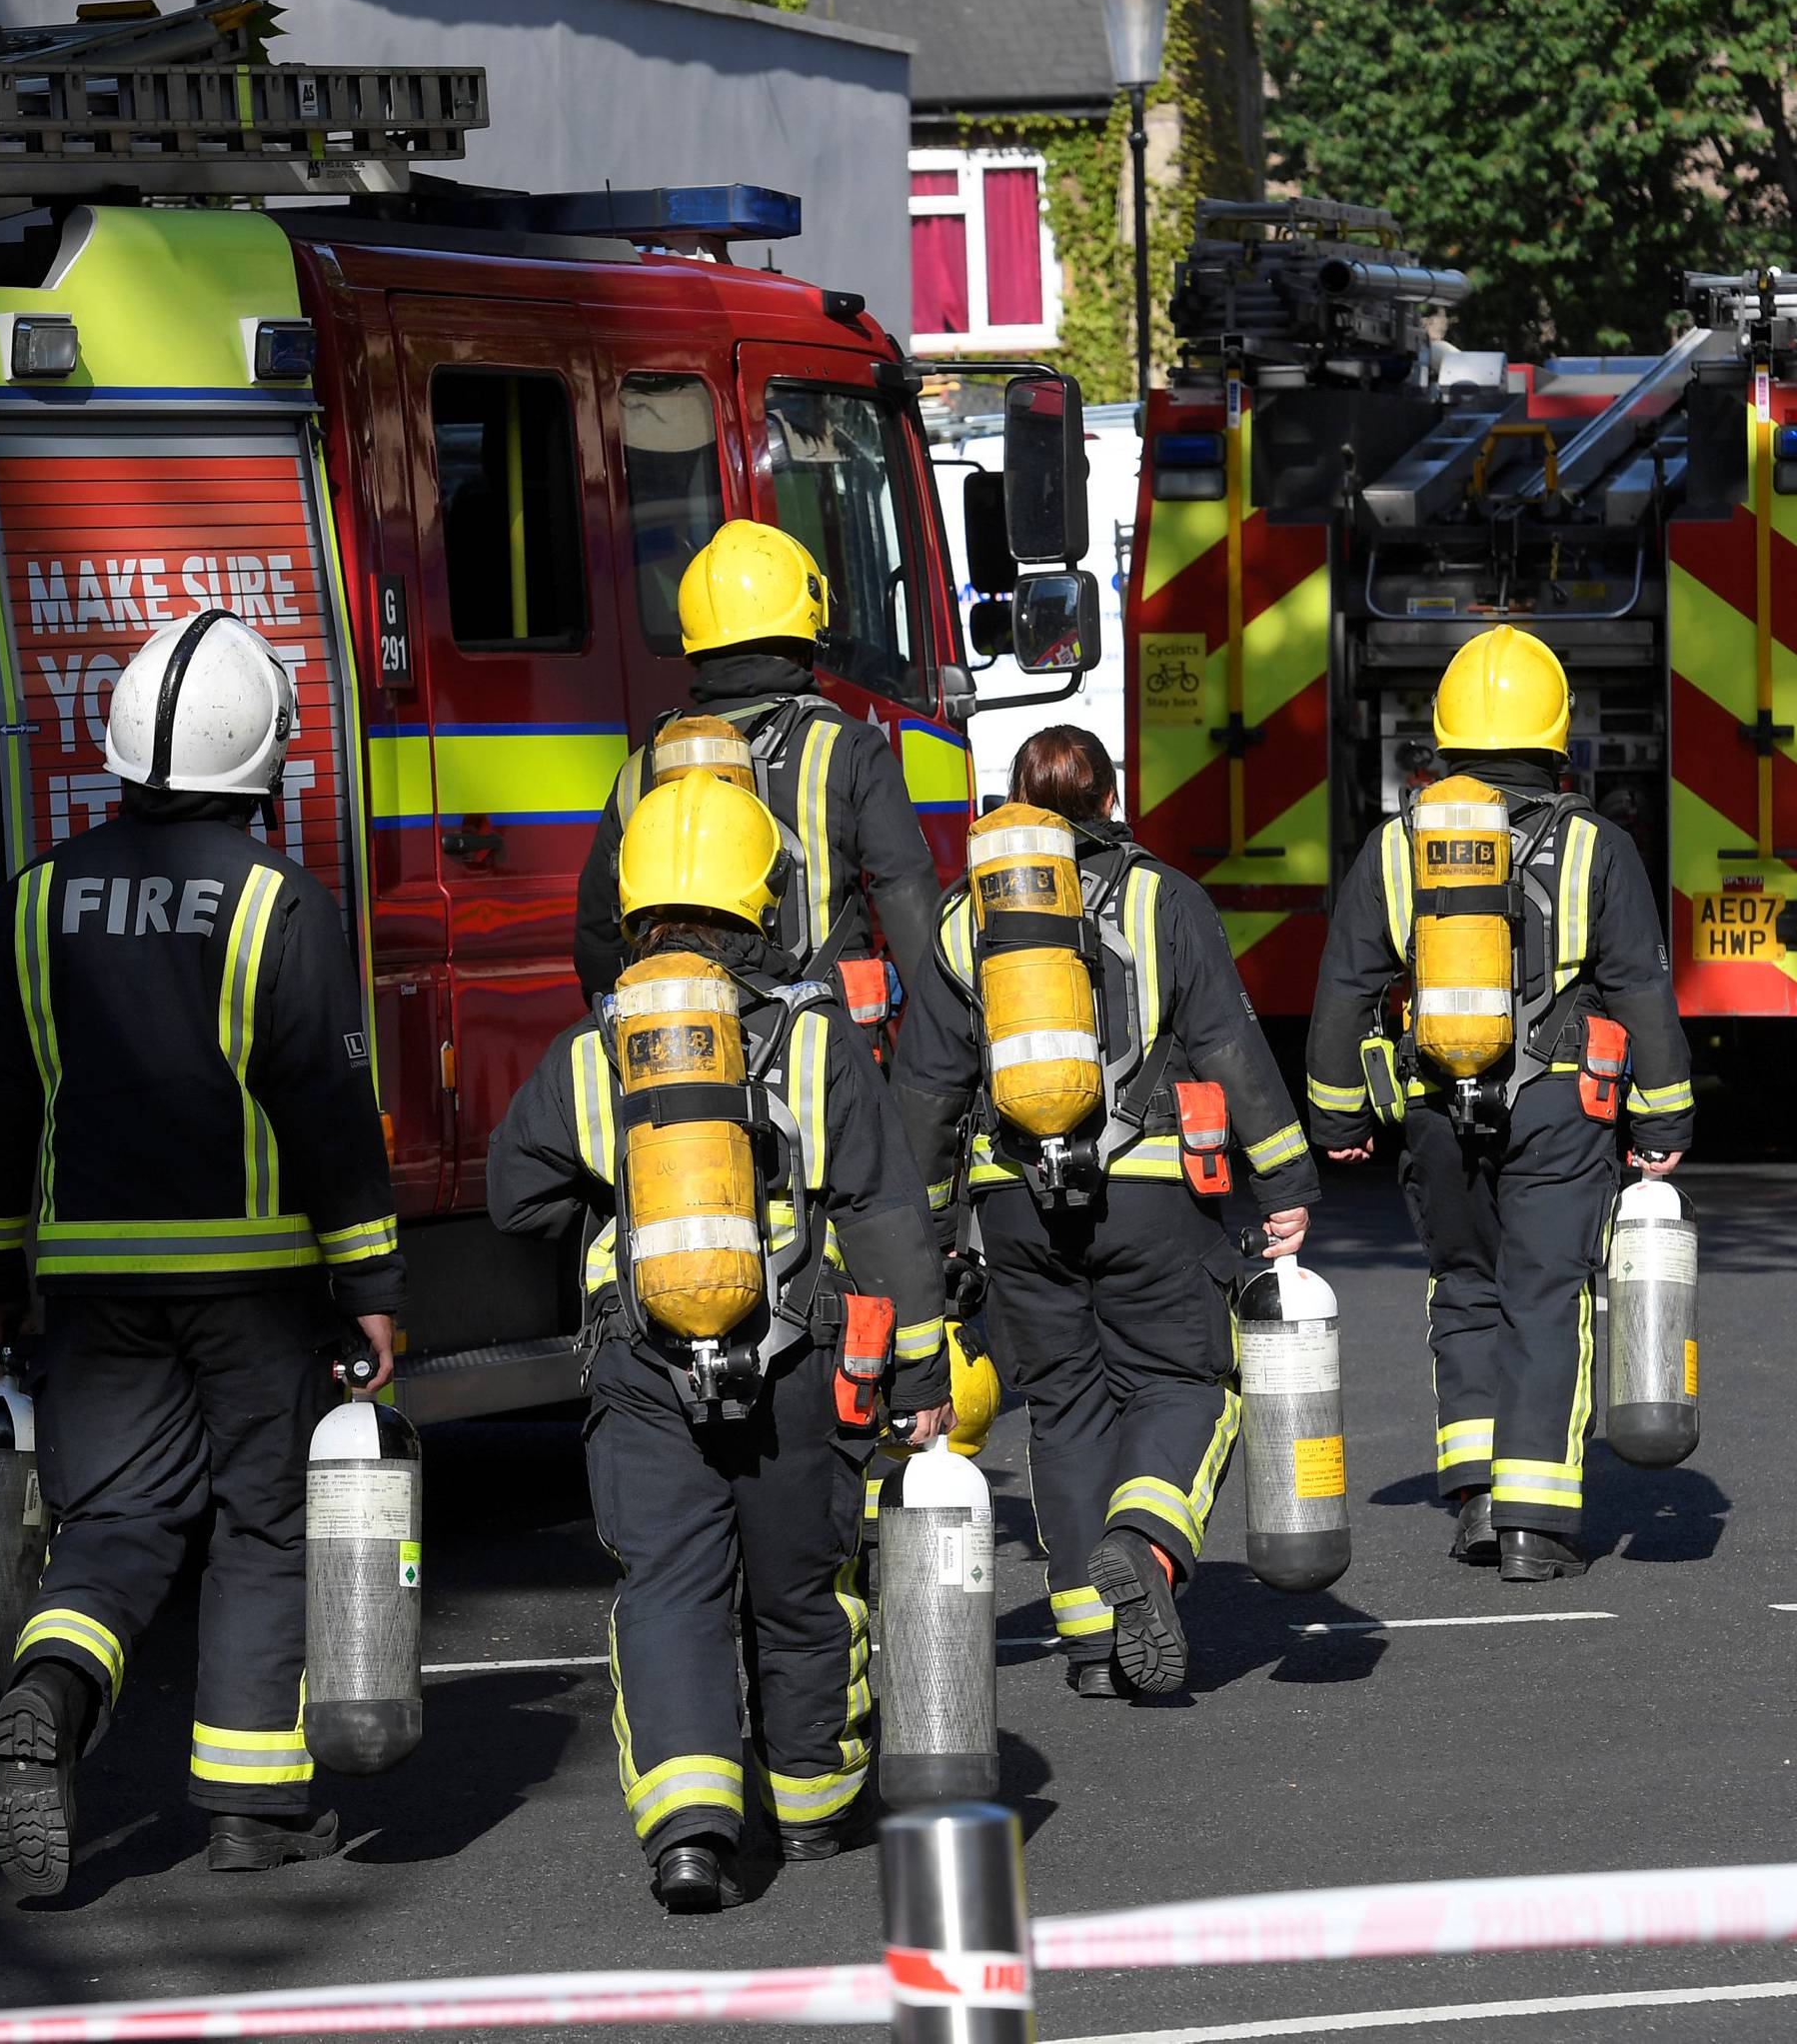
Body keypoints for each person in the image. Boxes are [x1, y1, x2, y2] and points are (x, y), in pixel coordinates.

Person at [0, 611, 402, 1896]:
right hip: (253, 1284)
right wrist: (370, 1287)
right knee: (259, 1524)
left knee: (116, 1520)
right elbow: (327, 1112)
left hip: (89, 1286)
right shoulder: (278, 904)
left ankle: (51, 1685)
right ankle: (251, 1807)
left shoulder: (38, 898)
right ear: (259, 756)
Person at [490, 769, 952, 1912]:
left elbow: (512, 1198)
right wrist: (924, 1369)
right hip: (801, 1358)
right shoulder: (814, 1040)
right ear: (762, 900)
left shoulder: (591, 1051)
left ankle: (691, 1832)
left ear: (636, 905)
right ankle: (809, 1810)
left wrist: (615, 1204)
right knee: (803, 1583)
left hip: (643, 1369)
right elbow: (885, 1208)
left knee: (669, 1587)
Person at [892, 726, 1319, 1699]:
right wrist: (1287, 1183)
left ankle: (1089, 1645)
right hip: (1154, 1194)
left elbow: (926, 1097)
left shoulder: (966, 920)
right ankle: (1147, 1543)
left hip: (1016, 1213)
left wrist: (917, 1240)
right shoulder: (1166, 897)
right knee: (1185, 1380)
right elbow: (1229, 1047)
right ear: (1113, 795)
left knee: (1066, 1407)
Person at [1305, 625, 1692, 1581]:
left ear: (1443, 738)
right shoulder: (1597, 846)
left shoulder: (1398, 848)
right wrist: (1664, 1119)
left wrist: (1338, 1118)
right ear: (1557, 737)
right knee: (1547, 1295)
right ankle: (1535, 1523)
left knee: (1466, 1287)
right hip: (1563, 1107)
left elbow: (1343, 995)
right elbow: (1642, 993)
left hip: (1436, 1108)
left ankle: (1476, 1497)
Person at [572, 518, 941, 1023]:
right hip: (826, 1063)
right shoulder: (849, 749)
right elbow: (912, 920)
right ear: (807, 627)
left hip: (680, 1064)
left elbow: (597, 947)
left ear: (695, 638)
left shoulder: (641, 769)